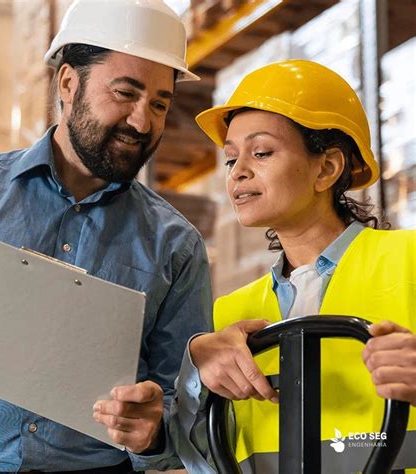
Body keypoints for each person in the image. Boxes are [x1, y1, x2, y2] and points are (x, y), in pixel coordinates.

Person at [0, 0, 212, 472]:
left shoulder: (177, 246)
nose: (141, 122)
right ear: (68, 83)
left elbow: (187, 410)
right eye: (125, 93)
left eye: (159, 104)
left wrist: (154, 432)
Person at [170, 60, 416, 473]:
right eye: (231, 160)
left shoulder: (409, 259)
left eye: (261, 152)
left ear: (327, 168)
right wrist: (192, 376)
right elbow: (199, 458)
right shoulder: (230, 316)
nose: (238, 173)